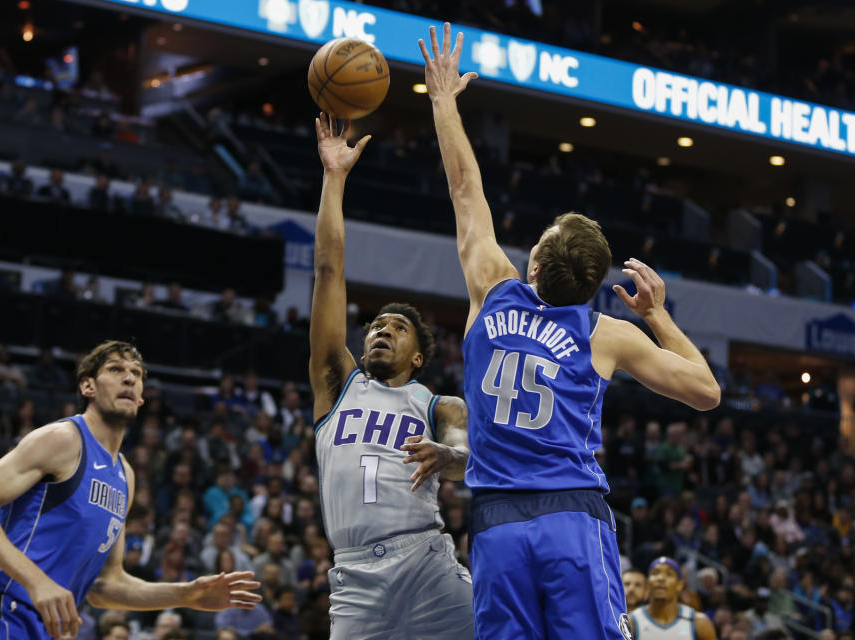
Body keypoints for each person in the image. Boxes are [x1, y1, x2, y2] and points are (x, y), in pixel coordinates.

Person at [420, 23, 720, 639]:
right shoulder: (606, 334)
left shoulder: (491, 290)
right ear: (591, 288)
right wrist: (657, 314)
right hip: (572, 519)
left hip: (497, 523)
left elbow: (464, 189)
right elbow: (706, 391)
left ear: (533, 265)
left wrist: (444, 102)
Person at [0, 340, 261, 639]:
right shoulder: (63, 439)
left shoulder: (125, 474)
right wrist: (36, 581)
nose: (128, 378)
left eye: (136, 374)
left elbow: (105, 586)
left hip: (49, 625)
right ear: (88, 387)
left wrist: (186, 594)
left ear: (141, 398)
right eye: (115, 369)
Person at [309, 112, 474, 638]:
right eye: (376, 325)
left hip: (425, 560)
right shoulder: (338, 383)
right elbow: (329, 268)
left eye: (397, 327)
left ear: (419, 356)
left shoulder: (440, 406)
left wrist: (447, 456)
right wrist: (334, 179)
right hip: (355, 577)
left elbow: (467, 461)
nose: (381, 330)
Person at [628, 557, 716, 639]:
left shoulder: (699, 622)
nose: (661, 578)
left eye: (669, 574)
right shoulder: (631, 622)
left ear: (679, 585)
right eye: (655, 573)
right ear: (647, 583)